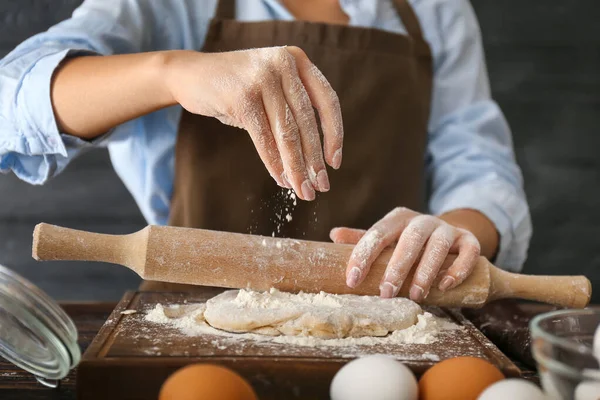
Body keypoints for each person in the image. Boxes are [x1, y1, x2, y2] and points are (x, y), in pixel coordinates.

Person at [0, 0, 531, 302]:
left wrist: (457, 229)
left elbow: (477, 160)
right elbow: (10, 103)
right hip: (192, 316)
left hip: (391, 316)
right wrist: (173, 71)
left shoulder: (434, 9)